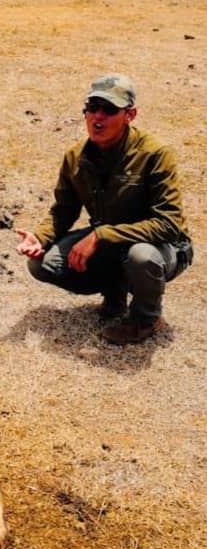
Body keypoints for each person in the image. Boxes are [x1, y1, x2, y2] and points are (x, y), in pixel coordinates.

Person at [16, 73, 193, 345]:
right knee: (42, 263)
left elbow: (169, 225)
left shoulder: (155, 154)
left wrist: (101, 235)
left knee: (141, 257)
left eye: (109, 109)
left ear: (130, 115)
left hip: (162, 247)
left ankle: (145, 319)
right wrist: (40, 238)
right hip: (112, 242)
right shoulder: (76, 157)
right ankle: (115, 293)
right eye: (92, 107)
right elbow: (63, 210)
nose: (98, 116)